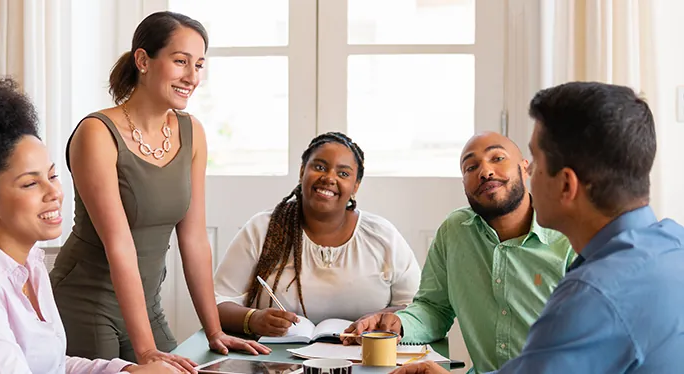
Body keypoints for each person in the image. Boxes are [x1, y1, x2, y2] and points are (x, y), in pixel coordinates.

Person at [391, 82, 684, 374]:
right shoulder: (674, 243)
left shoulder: (590, 296)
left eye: (536, 163)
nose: (530, 174)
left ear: (566, 185)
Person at [0, 78, 177, 373]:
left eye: (52, 176)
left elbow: (52, 365)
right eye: (31, 183)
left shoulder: (30, 264)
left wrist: (127, 371)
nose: (53, 193)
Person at [49, 11, 268, 372]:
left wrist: (214, 329)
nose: (192, 77)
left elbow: (195, 240)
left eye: (198, 65)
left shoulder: (192, 132)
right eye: (181, 61)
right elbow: (119, 245)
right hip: (86, 303)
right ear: (143, 60)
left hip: (146, 305)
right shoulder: (96, 133)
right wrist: (147, 353)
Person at [344, 132, 575, 373]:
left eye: (497, 158)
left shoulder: (570, 239)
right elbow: (435, 308)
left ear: (525, 169)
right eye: (471, 167)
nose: (485, 172)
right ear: (464, 184)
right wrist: (398, 324)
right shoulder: (455, 230)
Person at [213, 132, 421, 337]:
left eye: (343, 174)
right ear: (303, 170)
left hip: (365, 357)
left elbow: (418, 307)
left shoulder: (382, 236)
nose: (329, 178)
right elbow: (217, 300)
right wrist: (252, 319)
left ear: (356, 186)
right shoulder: (263, 229)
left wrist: (379, 319)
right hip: (274, 360)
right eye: (319, 167)